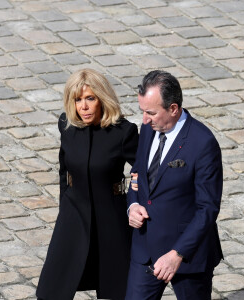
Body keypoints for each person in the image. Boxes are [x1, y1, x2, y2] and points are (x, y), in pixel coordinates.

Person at [36, 68, 139, 300]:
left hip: (111, 220)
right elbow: (64, 170)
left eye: (90, 98)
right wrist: (65, 207)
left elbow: (144, 170)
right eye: (78, 100)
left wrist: (135, 199)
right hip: (73, 217)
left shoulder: (124, 133)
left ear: (102, 98)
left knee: (117, 290)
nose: (83, 107)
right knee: (50, 289)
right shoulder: (67, 125)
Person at [125, 70, 223, 300]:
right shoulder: (149, 128)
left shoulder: (203, 144)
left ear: (173, 109)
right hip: (145, 249)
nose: (145, 120)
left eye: (151, 113)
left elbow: (207, 208)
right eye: (143, 112)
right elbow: (137, 172)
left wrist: (177, 254)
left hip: (187, 256)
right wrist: (132, 205)